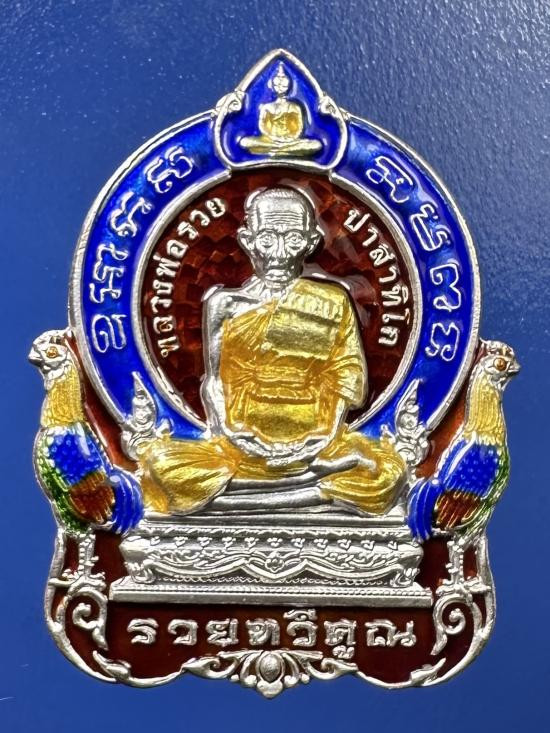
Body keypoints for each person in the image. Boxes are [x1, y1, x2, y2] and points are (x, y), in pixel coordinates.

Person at [140, 187, 405, 515]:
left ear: (310, 242)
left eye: (293, 240)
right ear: (248, 240)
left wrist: (326, 437)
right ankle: (314, 491)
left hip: (317, 445)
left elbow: (347, 376)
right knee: (162, 469)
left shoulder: (333, 301)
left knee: (389, 474)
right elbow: (214, 382)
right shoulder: (225, 305)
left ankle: (236, 500)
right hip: (241, 449)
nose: (279, 254)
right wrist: (231, 432)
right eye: (267, 239)